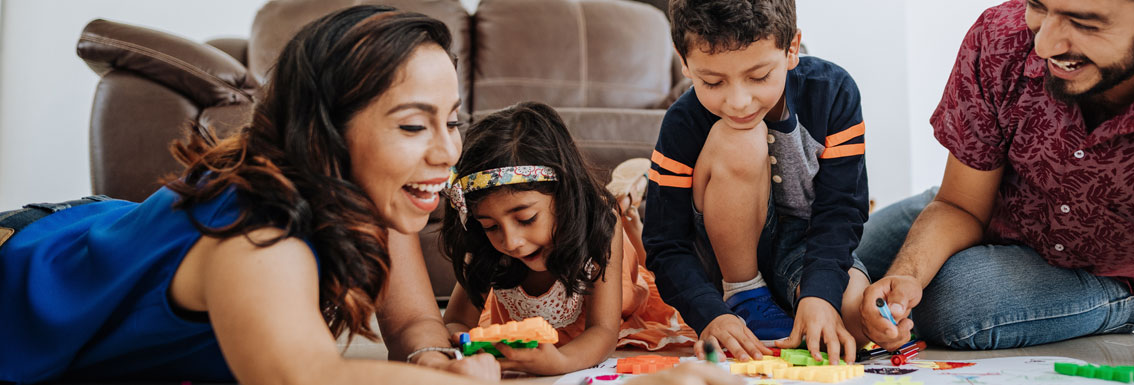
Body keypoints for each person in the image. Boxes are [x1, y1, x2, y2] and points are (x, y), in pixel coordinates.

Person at [0, 6, 731, 385]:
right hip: (28, 263)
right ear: (327, 132)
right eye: (414, 125)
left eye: (451, 122)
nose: (447, 153)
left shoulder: (375, 207)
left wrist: (430, 357)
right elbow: (302, 374)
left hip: (102, 234)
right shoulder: (261, 236)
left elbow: (412, 318)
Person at [855, 0, 1134, 384]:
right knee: (849, 260)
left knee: (955, 301)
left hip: (1112, 272)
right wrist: (909, 273)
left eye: (1084, 22)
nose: (1045, 44)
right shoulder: (1001, 35)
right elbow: (958, 204)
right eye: (1039, 6)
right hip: (991, 211)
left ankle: (1115, 307)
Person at [645, 0, 871, 365]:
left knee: (854, 322)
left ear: (791, 48)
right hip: (719, 264)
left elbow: (841, 211)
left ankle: (791, 307)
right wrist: (711, 314)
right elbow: (664, 243)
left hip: (806, 245)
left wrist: (819, 296)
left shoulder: (834, 92)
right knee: (739, 136)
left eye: (759, 76)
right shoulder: (681, 123)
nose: (738, 101)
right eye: (712, 81)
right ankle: (746, 298)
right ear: (684, 62)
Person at [439, 102, 696, 376]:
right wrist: (461, 350)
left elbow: (604, 330)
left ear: (564, 196)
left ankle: (628, 202)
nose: (510, 241)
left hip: (604, 268)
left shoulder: (600, 223)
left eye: (526, 219)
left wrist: (560, 363)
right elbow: (455, 321)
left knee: (620, 221)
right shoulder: (485, 242)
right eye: (490, 226)